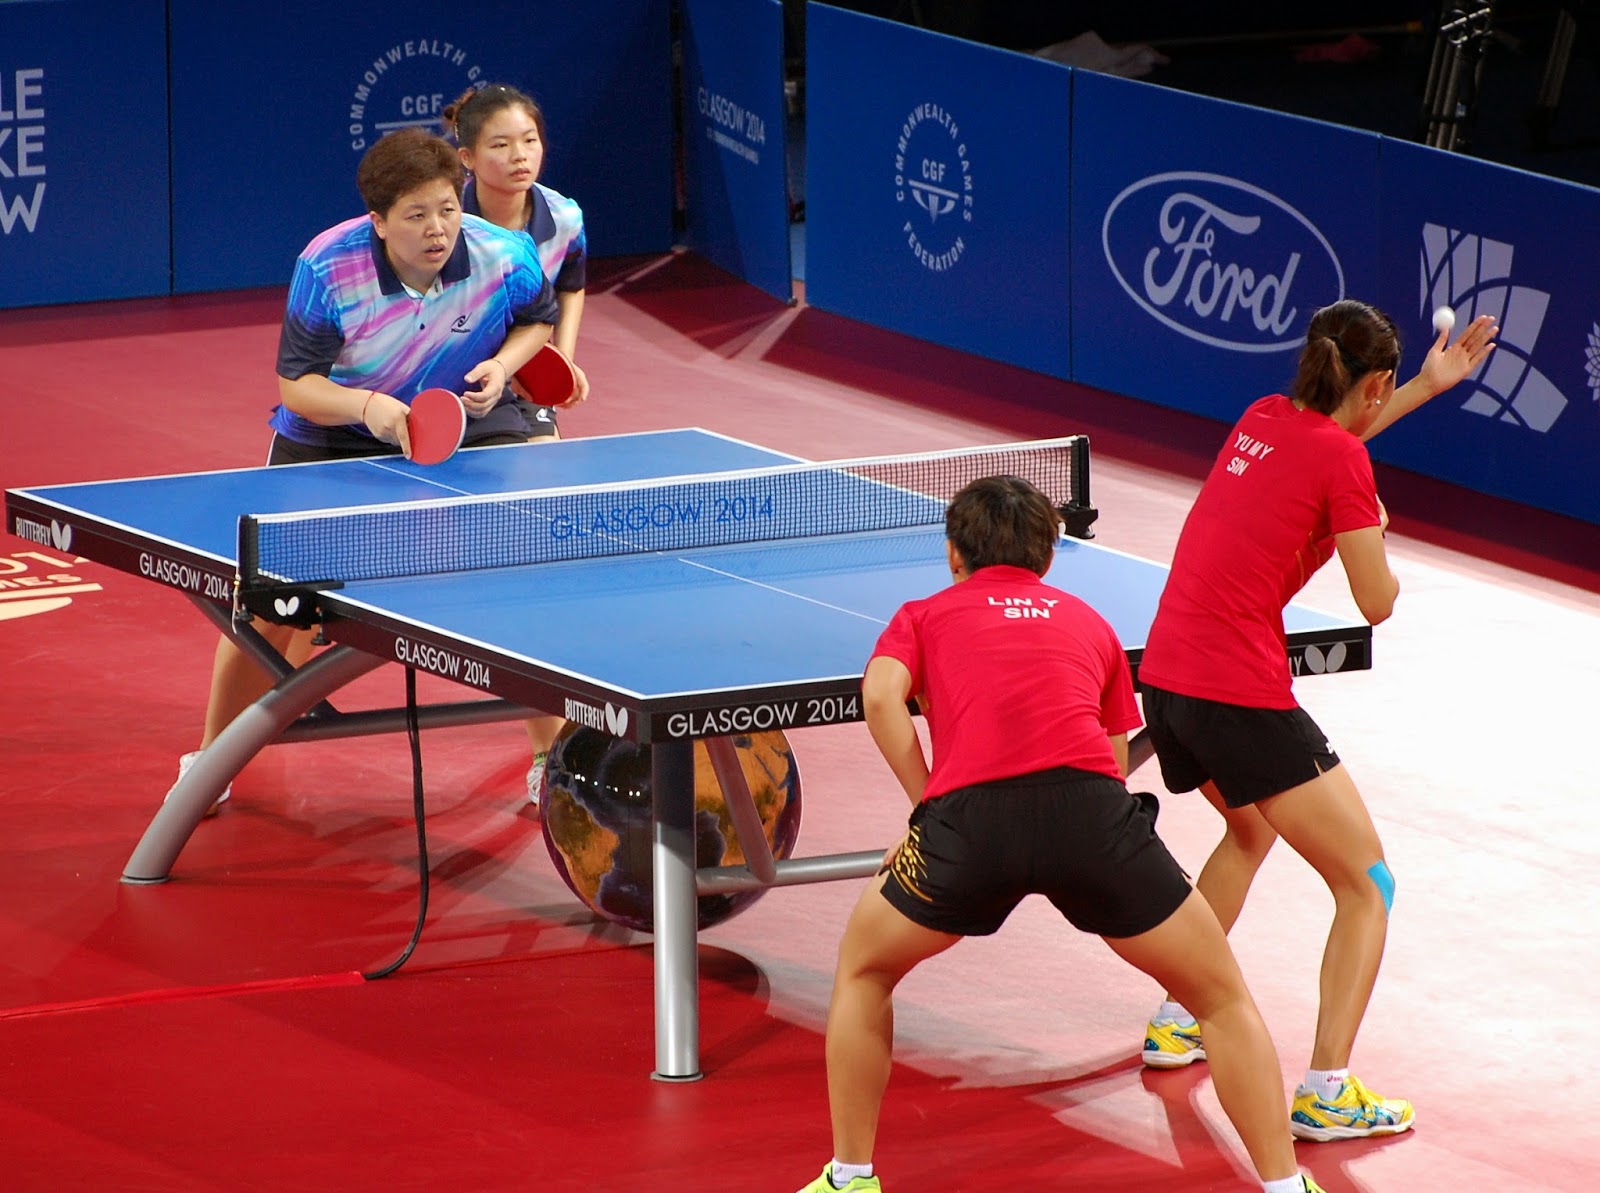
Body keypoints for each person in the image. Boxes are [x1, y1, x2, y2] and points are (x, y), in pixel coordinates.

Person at [794, 476, 1326, 1193]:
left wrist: (928, 807)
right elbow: (1111, 763)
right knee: (1221, 998)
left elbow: (880, 696)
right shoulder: (1090, 622)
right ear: (1049, 556)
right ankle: (1286, 1188)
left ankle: (850, 1178)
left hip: (971, 822)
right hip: (1093, 817)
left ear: (954, 554)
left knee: (865, 968)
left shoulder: (922, 614)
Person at [1134, 299, 1497, 1143]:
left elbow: (1330, 449)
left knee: (1248, 831)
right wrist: (1371, 530)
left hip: (1168, 677)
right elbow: (1376, 601)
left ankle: (1176, 1014)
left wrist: (1426, 388)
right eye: (1389, 387)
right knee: (1367, 883)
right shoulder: (1344, 468)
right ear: (1370, 383)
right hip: (1237, 692)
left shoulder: (1263, 417)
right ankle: (1328, 1087)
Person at [168, 127, 559, 809]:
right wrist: (372, 408)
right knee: (271, 610)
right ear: (377, 221)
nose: (438, 229)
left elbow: (537, 321)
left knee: (516, 586)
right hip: (337, 432)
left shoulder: (504, 252)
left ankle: (552, 761)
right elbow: (298, 385)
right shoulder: (328, 266)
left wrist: (504, 364)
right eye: (416, 215)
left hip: (465, 417)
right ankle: (211, 760)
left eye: (447, 207)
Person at [442, 81, 591, 806]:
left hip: (520, 386)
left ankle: (546, 753)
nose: (517, 156)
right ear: (467, 156)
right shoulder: (444, 217)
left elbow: (569, 287)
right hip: (442, 378)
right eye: (499, 145)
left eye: (528, 141)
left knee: (526, 558)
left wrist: (557, 362)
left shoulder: (560, 214)